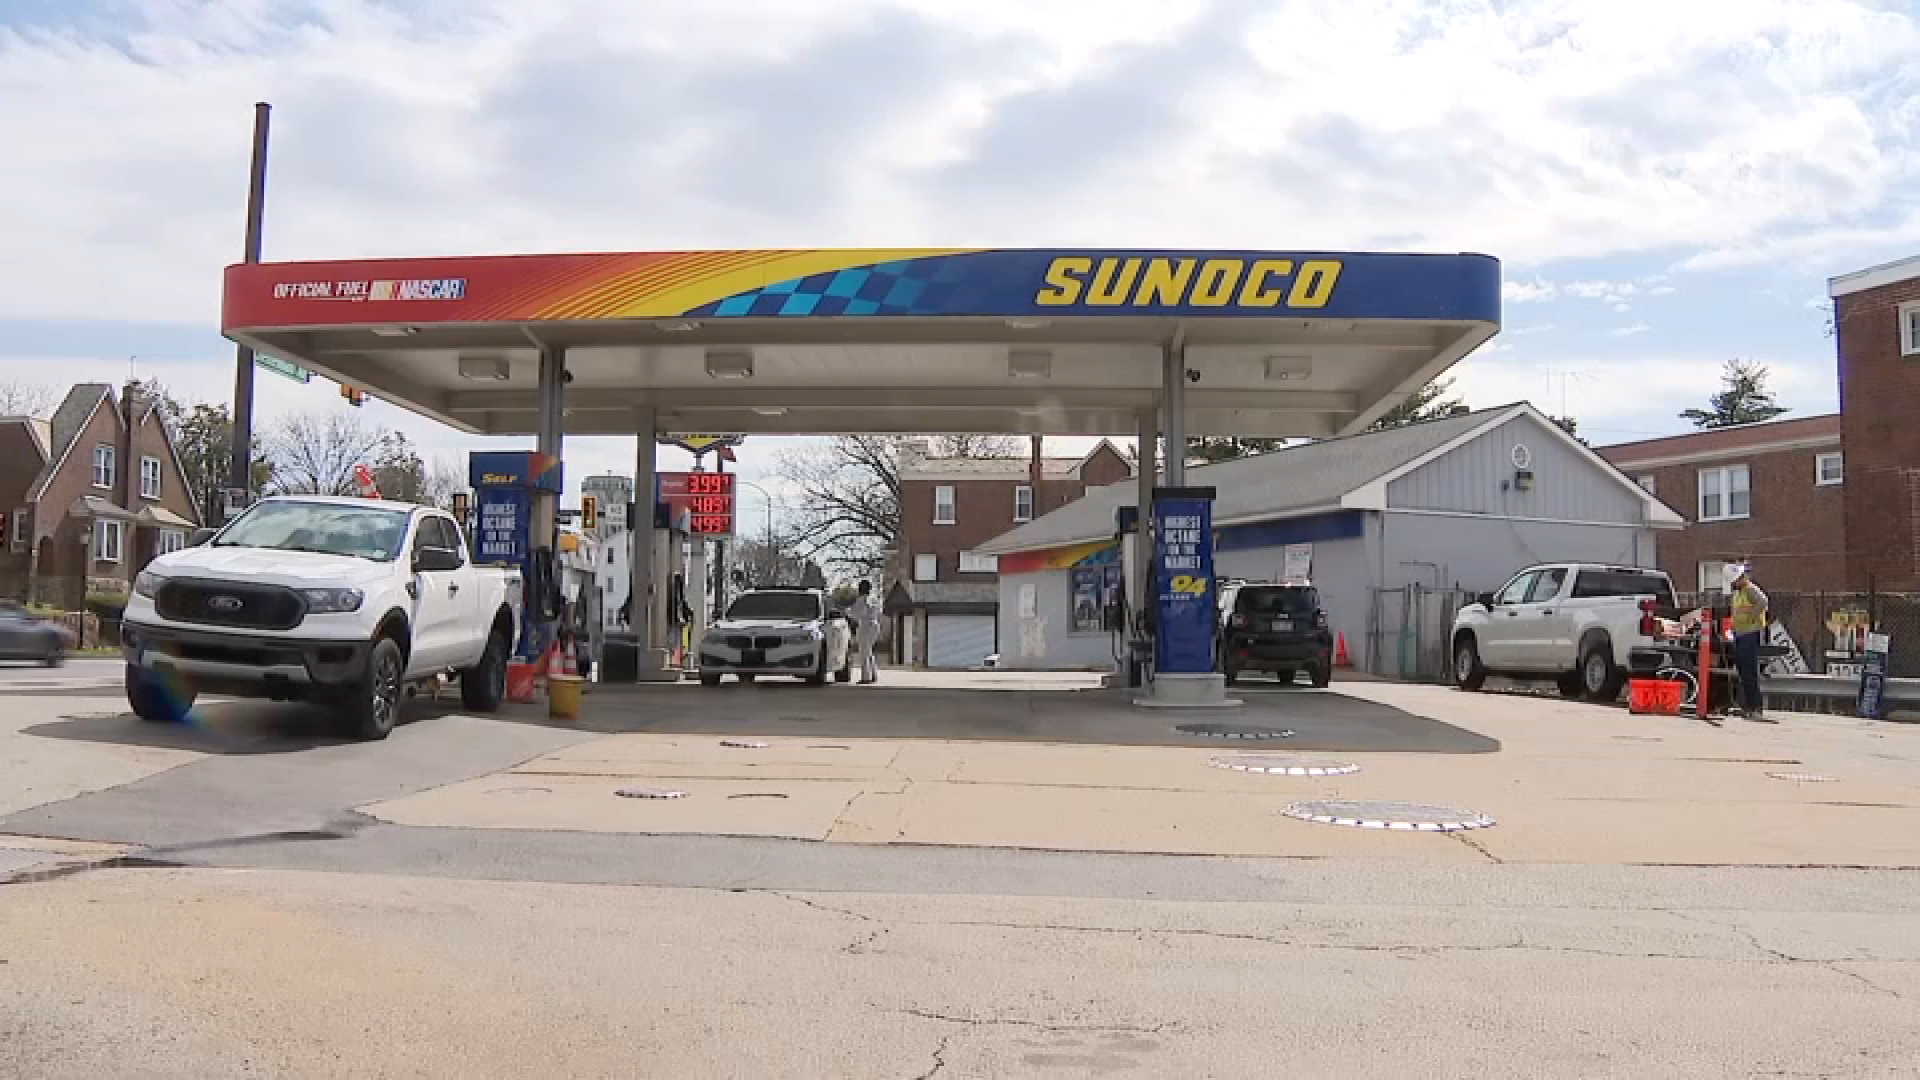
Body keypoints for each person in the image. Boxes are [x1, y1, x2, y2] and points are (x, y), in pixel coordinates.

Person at [1726, 562, 1773, 723]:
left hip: (1750, 634)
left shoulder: (1750, 589)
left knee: (1749, 672)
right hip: (1740, 634)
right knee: (1743, 671)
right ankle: (1747, 706)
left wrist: (1753, 618)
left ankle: (1755, 708)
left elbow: (1763, 601)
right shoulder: (1738, 594)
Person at [847, 580, 881, 685]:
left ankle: (866, 677)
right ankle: (873, 674)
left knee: (864, 652)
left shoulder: (861, 600)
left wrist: (848, 612)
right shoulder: (874, 599)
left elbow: (857, 614)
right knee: (868, 650)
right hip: (875, 624)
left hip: (866, 625)